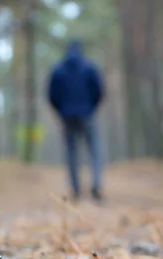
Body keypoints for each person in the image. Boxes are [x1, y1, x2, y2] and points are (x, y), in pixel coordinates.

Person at [47, 39, 105, 202]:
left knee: (71, 153)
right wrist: (91, 108)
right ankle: (95, 183)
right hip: (87, 114)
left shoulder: (58, 70)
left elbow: (51, 95)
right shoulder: (89, 68)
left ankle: (75, 189)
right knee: (95, 150)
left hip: (67, 116)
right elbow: (99, 91)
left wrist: (61, 111)